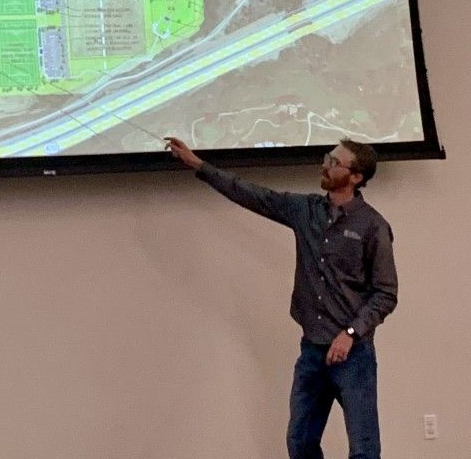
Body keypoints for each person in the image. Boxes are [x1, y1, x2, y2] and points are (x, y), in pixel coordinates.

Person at [164, 136, 397, 459]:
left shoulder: (373, 226)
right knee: (299, 443)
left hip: (353, 356)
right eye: (327, 158)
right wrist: (198, 165)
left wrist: (351, 333)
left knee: (364, 450)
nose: (325, 165)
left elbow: (385, 293)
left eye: (334, 162)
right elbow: (253, 194)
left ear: (356, 177)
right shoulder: (306, 211)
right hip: (312, 352)